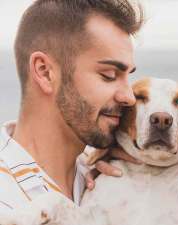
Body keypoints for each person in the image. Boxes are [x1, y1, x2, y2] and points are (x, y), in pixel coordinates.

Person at [0, 0, 144, 212]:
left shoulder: (102, 177)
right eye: (109, 75)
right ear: (45, 72)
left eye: (127, 77)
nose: (130, 97)